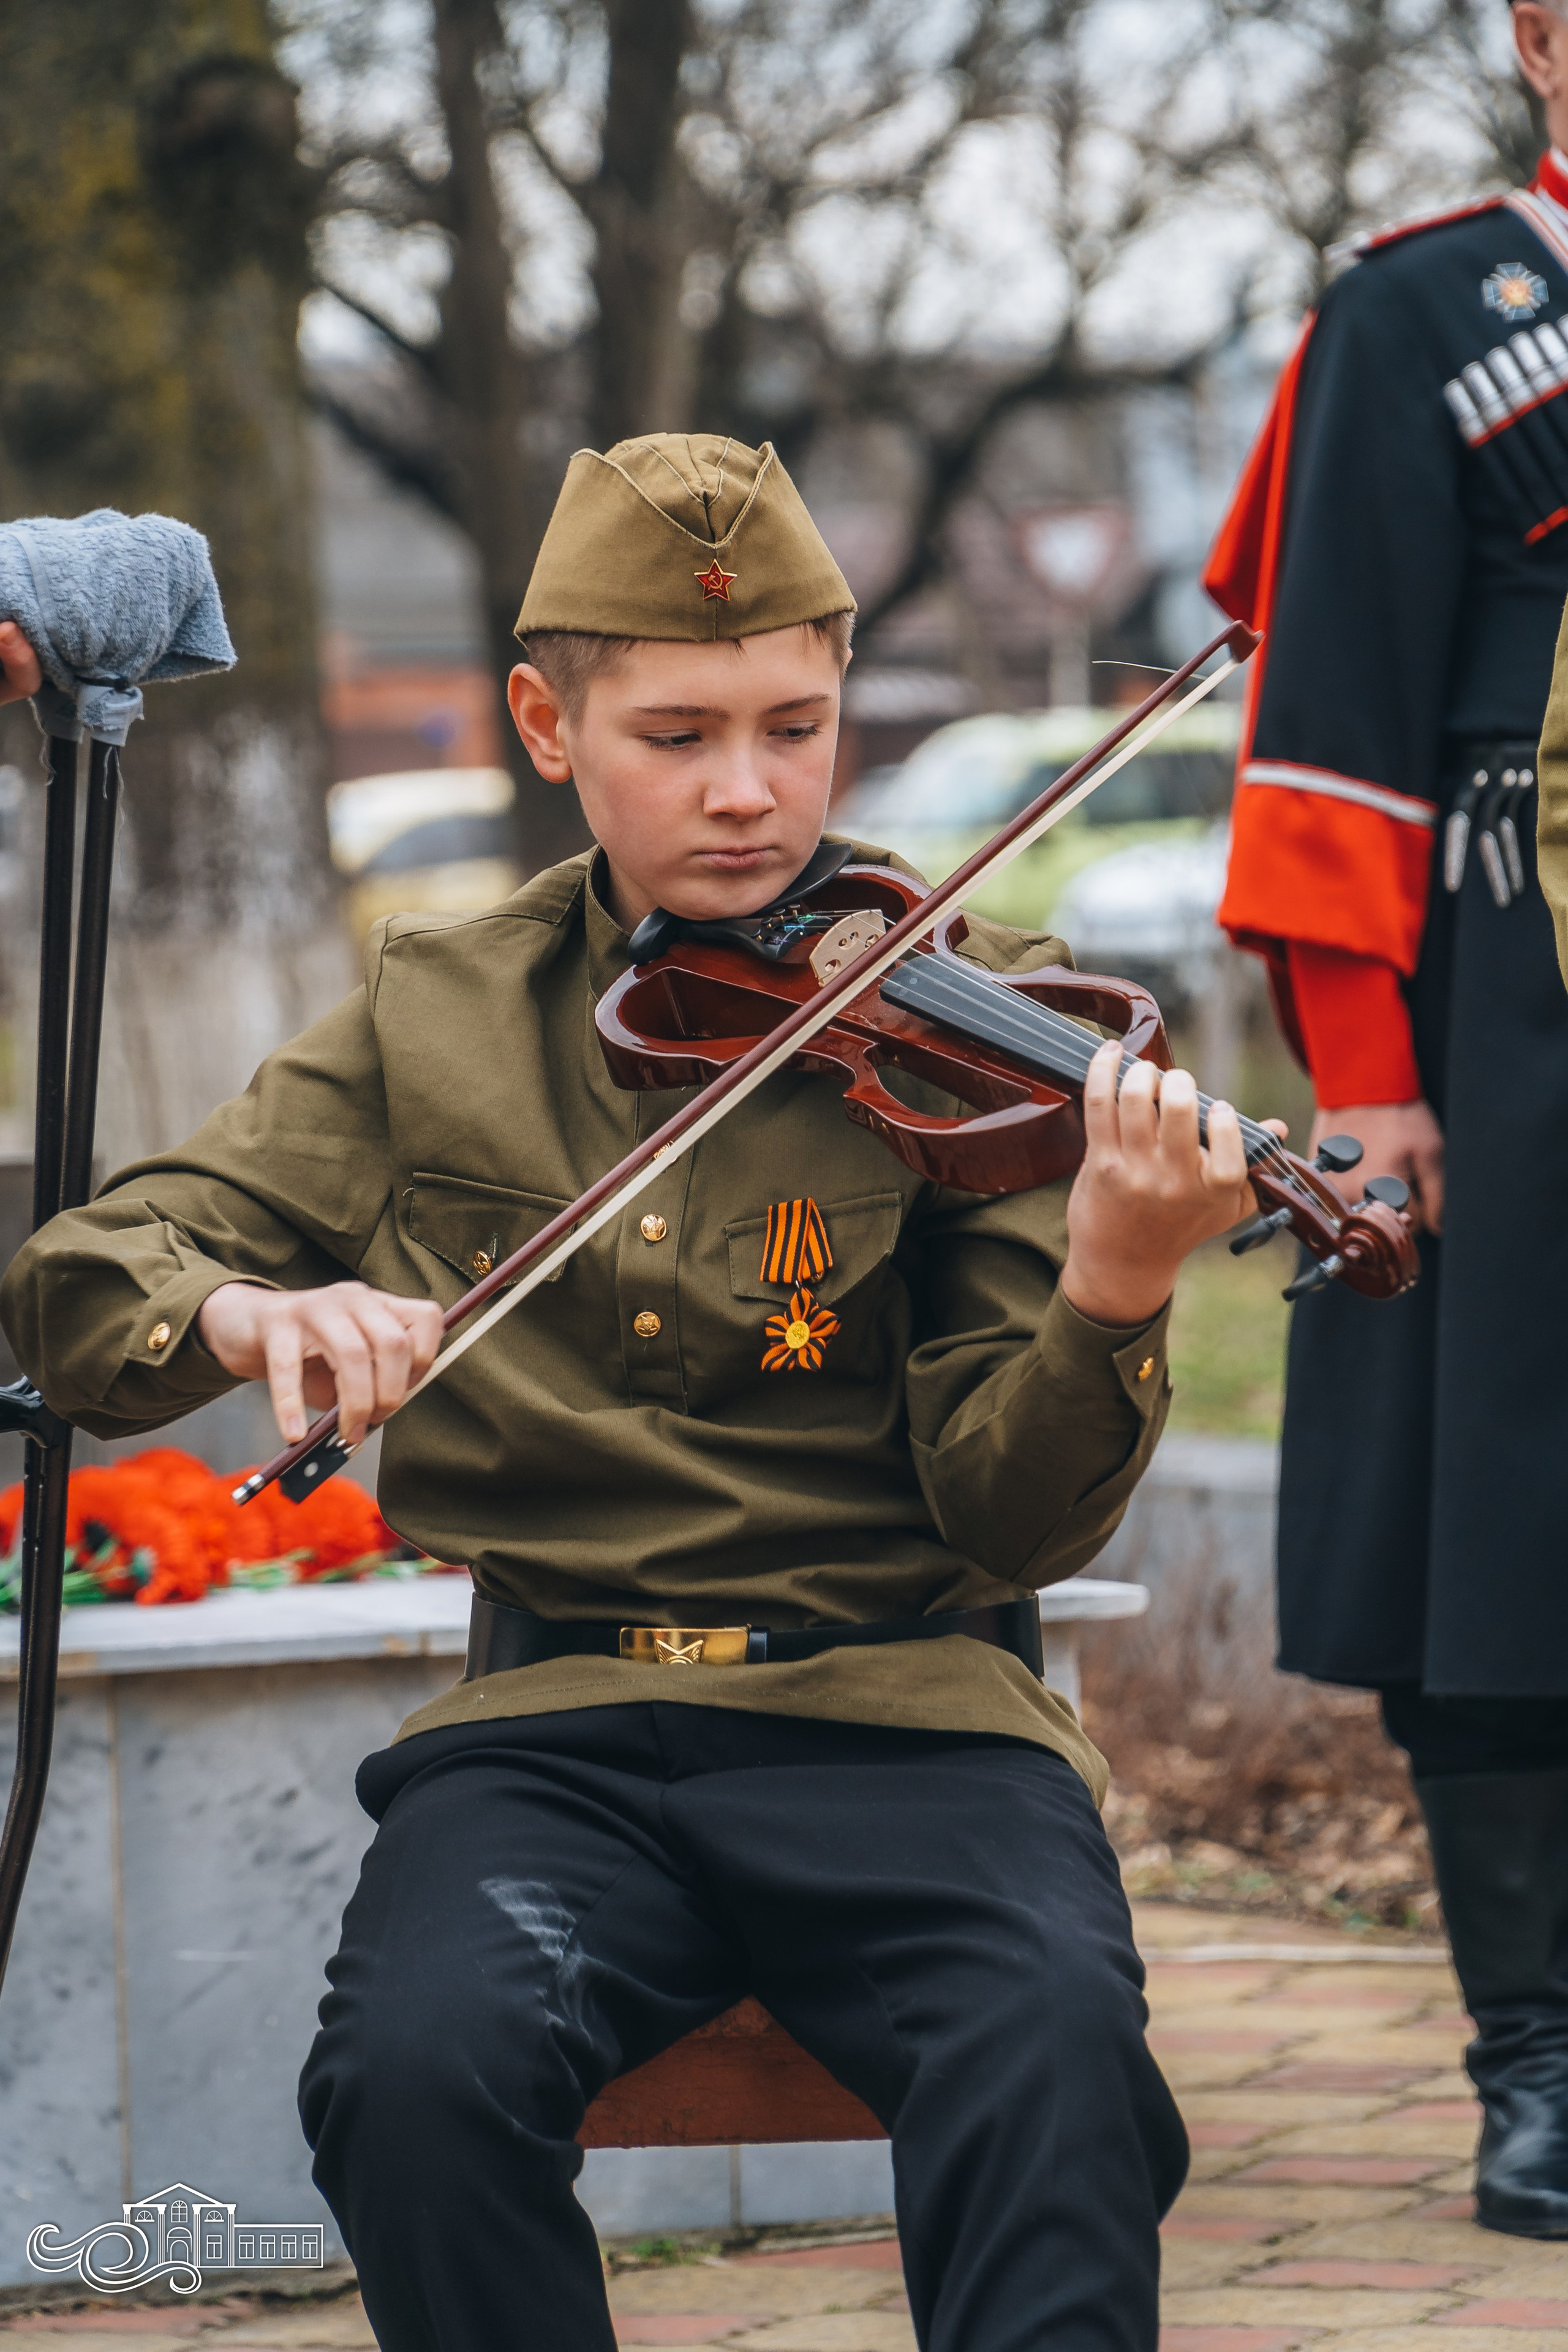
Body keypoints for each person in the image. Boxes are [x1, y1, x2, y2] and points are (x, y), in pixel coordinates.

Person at [3, 434, 1263, 2351]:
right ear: (543, 723)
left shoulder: (985, 1012)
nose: (749, 794)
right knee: (410, 2079)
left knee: (1059, 2055)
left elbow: (1017, 1517)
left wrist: (1116, 1282)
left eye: (796, 725)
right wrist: (252, 1312)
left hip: (910, 1715)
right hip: (559, 1728)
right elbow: (83, 1283)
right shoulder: (442, 1013)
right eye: (676, 734)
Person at [1202, 0, 1568, 2244]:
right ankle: (1540, 2062)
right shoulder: (1421, 305)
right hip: (1501, 1007)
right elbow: (1329, 711)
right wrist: (1366, 1079)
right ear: (1541, 33)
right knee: (1505, 1534)